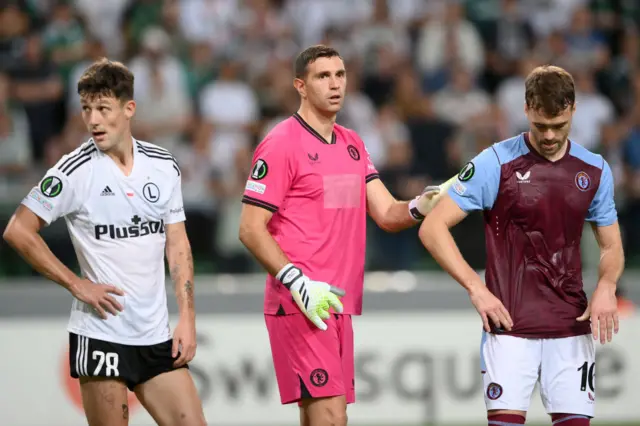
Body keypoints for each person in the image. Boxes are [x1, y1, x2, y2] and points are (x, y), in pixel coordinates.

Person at [238, 45, 453, 426]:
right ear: (301, 86)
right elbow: (250, 228)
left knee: (328, 418)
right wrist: (297, 282)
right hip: (301, 302)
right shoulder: (281, 142)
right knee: (331, 418)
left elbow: (387, 213)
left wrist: (421, 205)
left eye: (340, 75)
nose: (335, 84)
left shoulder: (352, 144)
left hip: (337, 302)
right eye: (323, 76)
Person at [2, 58, 206, 426]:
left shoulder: (163, 166)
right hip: (101, 336)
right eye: (86, 109)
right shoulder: (73, 171)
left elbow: (177, 244)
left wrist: (187, 319)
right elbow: (17, 230)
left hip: (156, 335)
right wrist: (76, 284)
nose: (93, 120)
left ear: (129, 109)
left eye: (102, 109)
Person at [419, 65, 625, 426]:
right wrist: (476, 289)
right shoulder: (495, 163)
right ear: (527, 109)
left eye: (558, 126)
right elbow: (432, 228)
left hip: (571, 327)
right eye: (540, 125)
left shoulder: (594, 170)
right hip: (509, 328)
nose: (548, 136)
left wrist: (607, 286)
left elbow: (611, 247)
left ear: (573, 110)